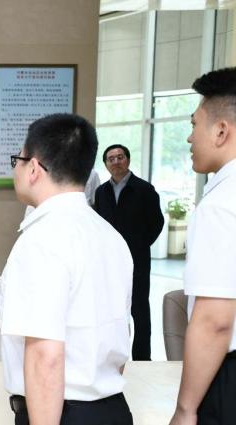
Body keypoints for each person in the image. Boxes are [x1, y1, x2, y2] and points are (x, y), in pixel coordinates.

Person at [0, 113, 134, 425]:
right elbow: (121, 332)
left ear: (33, 168)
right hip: (111, 410)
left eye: (18, 160)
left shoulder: (40, 240)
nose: (16, 168)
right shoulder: (110, 236)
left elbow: (45, 356)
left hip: (61, 413)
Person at [169, 67, 236, 425]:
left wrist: (185, 409)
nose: (189, 137)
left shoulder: (221, 204)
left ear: (221, 130)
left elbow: (215, 321)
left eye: (195, 124)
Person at [94, 144, 164, 361]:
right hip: (110, 261)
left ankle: (143, 358)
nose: (116, 162)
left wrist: (141, 244)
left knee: (139, 310)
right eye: (111, 159)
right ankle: (114, 356)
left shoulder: (144, 189)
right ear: (106, 164)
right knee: (112, 310)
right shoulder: (101, 192)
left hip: (138, 260)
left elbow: (157, 222)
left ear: (128, 160)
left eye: (120, 157)